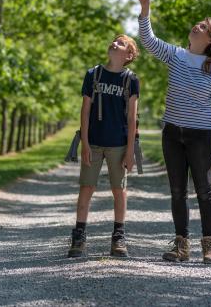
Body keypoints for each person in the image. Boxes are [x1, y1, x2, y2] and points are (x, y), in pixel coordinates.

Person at [137, 0, 211, 265]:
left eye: (202, 27)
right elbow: (148, 41)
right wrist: (145, 11)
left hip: (202, 136)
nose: (196, 27)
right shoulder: (176, 56)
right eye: (196, 25)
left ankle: (210, 246)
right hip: (172, 133)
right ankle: (181, 245)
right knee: (177, 190)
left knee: (204, 190)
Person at [67, 34, 140, 258]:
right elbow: (85, 111)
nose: (114, 43)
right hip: (95, 143)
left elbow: (131, 118)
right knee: (86, 187)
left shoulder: (131, 80)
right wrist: (85, 144)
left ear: (128, 55)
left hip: (118, 144)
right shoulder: (93, 74)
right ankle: (79, 235)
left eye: (121, 43)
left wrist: (130, 151)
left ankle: (118, 237)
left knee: (119, 190)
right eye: (114, 41)